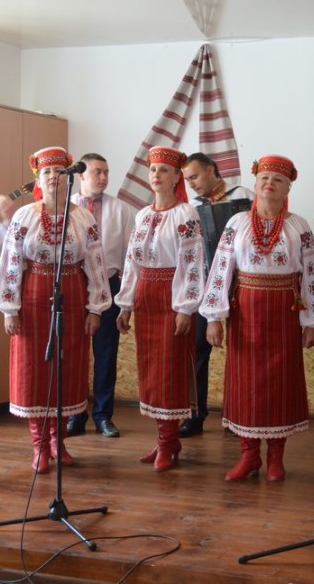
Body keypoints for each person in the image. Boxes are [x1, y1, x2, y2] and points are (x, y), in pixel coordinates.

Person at [201, 155, 314, 482]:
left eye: (278, 179)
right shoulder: (237, 223)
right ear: (255, 184)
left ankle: (275, 457)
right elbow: (221, 270)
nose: (270, 183)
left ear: (288, 188)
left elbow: (311, 274)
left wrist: (312, 321)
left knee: (280, 383)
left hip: (284, 312)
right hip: (245, 313)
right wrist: (214, 316)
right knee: (247, 384)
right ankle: (249, 455)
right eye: (265, 178)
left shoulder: (298, 226)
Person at [0, 146, 110, 473]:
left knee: (66, 368)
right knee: (35, 369)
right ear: (38, 179)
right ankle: (39, 445)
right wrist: (9, 308)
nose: (53, 178)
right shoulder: (25, 216)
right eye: (47, 172)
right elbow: (11, 262)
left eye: (59, 172)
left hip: (72, 295)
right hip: (33, 297)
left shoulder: (83, 218)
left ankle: (59, 441)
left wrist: (95, 308)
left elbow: (96, 264)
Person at [115, 147, 205, 470]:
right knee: (151, 370)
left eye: (164, 170)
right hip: (146, 297)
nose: (156, 175)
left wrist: (185, 307)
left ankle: (168, 440)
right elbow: (132, 262)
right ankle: (165, 439)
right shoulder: (142, 215)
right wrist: (125, 305)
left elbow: (192, 263)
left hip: (171, 295)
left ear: (177, 176)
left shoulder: (186, 214)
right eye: (153, 169)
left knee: (169, 368)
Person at [179, 152, 253, 438]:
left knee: (242, 352)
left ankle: (239, 415)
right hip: (204, 286)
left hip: (241, 285)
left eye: (195, 176)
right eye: (187, 180)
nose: (191, 184)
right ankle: (195, 415)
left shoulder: (243, 197)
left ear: (211, 170)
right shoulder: (192, 208)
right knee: (198, 351)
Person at [66, 153, 135, 439]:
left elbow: (130, 257)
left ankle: (103, 415)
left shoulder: (122, 210)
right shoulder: (66, 208)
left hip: (109, 284)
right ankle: (75, 414)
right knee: (73, 352)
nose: (104, 177)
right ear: (81, 175)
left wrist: (126, 299)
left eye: (106, 172)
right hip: (74, 285)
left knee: (106, 353)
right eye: (97, 172)